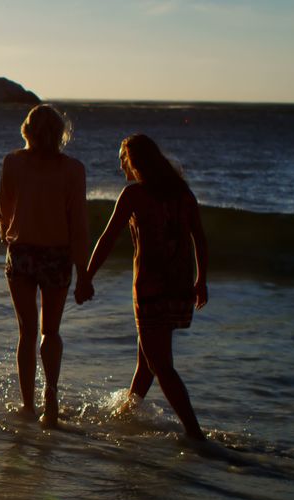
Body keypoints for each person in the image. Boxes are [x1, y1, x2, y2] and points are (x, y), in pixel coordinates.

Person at [82, 134, 208, 440]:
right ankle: (127, 413)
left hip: (150, 288)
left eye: (122, 159)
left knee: (160, 364)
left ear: (133, 162)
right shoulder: (182, 192)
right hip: (179, 286)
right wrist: (201, 280)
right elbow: (199, 237)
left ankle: (195, 434)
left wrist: (86, 275)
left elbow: (108, 237)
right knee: (147, 360)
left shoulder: (134, 195)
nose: (120, 165)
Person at [0, 104, 90, 427]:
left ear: (27, 130)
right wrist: (84, 274)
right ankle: (50, 392)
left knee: (26, 331)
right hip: (57, 255)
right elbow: (78, 225)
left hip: (22, 252)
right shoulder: (73, 169)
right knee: (50, 330)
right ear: (59, 133)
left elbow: (4, 212)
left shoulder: (12, 162)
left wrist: (7, 230)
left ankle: (27, 404)